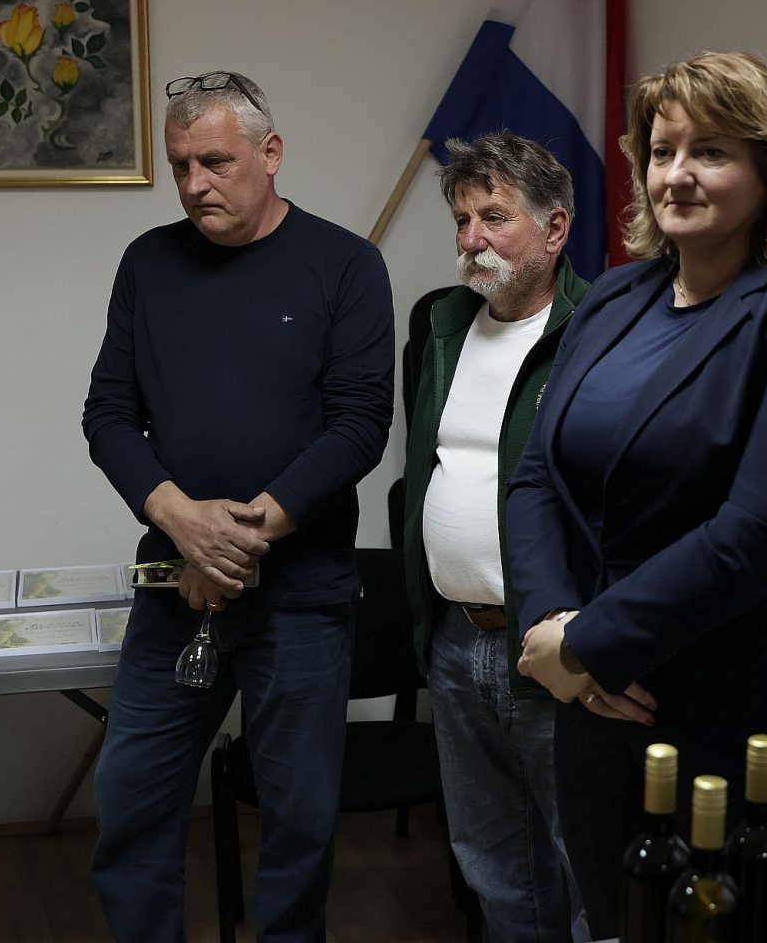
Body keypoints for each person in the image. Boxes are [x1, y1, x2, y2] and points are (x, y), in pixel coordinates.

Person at [509, 50, 767, 936]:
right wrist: (552, 623)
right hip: (602, 710)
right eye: (661, 150)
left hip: (750, 722)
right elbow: (537, 474)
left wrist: (592, 641)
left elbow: (764, 527)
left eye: (710, 151)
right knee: (619, 920)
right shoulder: (615, 298)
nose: (677, 173)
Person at [82, 70, 394, 943]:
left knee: (299, 822)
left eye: (214, 162)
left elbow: (360, 426)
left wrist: (238, 540)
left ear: (271, 153)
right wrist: (181, 521)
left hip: (300, 596)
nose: (194, 184)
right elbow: (108, 415)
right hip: (174, 585)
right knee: (131, 798)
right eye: (179, 165)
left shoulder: (345, 264)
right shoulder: (149, 262)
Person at [402, 134, 591, 943]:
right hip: (455, 639)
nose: (472, 238)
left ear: (555, 229)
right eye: (462, 220)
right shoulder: (442, 325)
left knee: (585, 856)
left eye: (495, 217)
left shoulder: (600, 330)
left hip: (552, 643)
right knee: (491, 858)